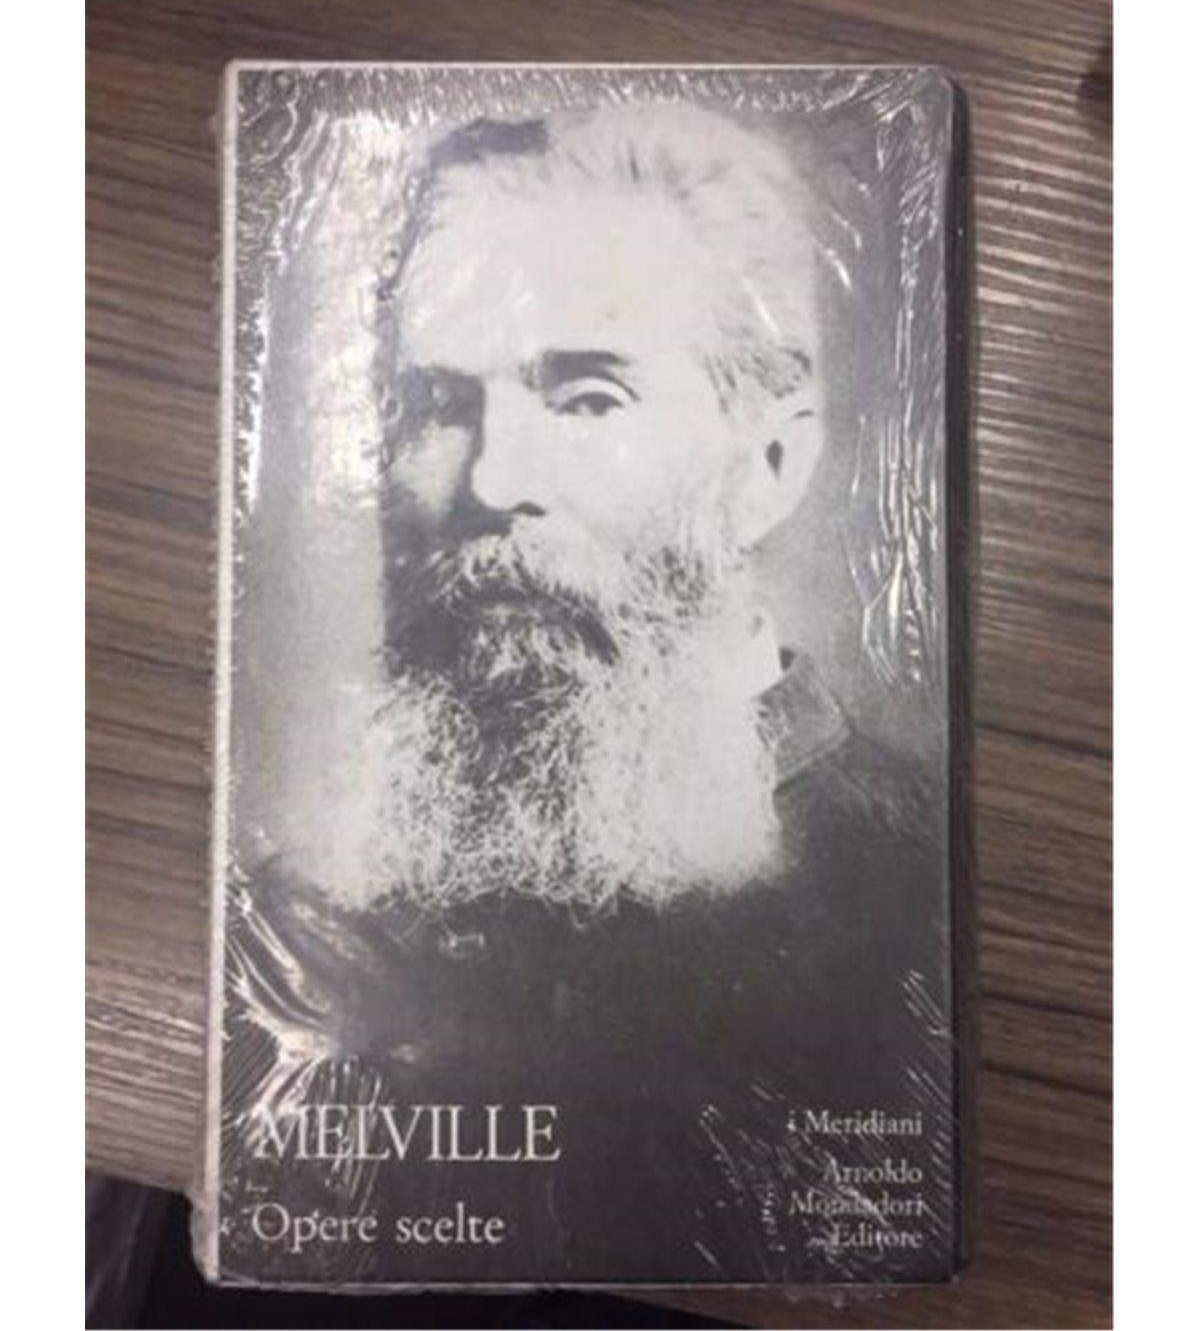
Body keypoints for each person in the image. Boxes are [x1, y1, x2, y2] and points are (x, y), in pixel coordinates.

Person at [224, 103, 952, 1284]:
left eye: (587, 399)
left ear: (768, 465)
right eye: (437, 408)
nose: (494, 481)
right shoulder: (295, 921)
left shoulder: (910, 903)